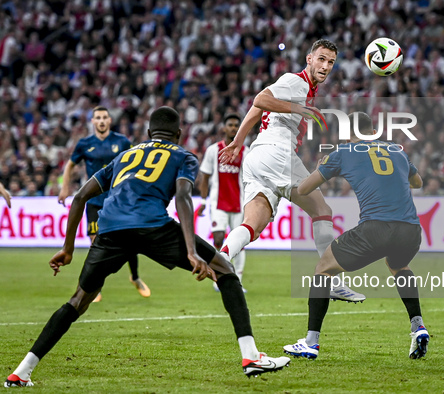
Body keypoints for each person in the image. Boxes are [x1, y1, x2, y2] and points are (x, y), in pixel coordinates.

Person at [4, 107, 290, 388]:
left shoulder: (124, 156)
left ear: (148, 132)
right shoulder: (183, 156)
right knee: (225, 270)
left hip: (111, 229)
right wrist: (191, 250)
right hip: (153, 225)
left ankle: (22, 371)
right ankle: (251, 356)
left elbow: (79, 197)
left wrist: (68, 249)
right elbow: (182, 196)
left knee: (78, 300)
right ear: (178, 134)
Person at [219, 39, 365, 302]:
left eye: (330, 62)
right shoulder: (295, 81)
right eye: (321, 59)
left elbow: (256, 107)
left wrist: (239, 140)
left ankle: (221, 257)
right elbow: (260, 98)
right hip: (276, 152)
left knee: (253, 224)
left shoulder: (302, 88)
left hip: (256, 155)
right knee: (322, 211)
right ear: (309, 59)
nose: (325, 66)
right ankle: (330, 281)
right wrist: (299, 108)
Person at [283, 112, 429, 360]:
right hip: (411, 230)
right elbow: (418, 182)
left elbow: (305, 189)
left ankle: (310, 342)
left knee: (323, 269)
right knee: (398, 265)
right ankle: (418, 326)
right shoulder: (396, 150)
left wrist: (322, 168)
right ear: (372, 131)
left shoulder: (342, 152)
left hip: (375, 228)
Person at [58, 106, 150, 302]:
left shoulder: (122, 141)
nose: (101, 121)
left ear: (110, 121)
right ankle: (95, 286)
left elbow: (134, 163)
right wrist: (65, 188)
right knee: (95, 242)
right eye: (97, 118)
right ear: (92, 121)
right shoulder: (84, 144)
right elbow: (70, 165)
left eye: (104, 117)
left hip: (118, 199)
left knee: (130, 240)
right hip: (94, 200)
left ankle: (135, 277)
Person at [198, 113, 249, 292]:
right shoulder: (214, 150)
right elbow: (205, 176)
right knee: (219, 239)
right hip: (218, 203)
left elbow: (249, 178)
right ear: (224, 128)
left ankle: (238, 280)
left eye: (237, 125)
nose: (234, 128)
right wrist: (203, 200)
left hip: (238, 203)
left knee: (239, 243)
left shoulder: (245, 151)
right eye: (231, 125)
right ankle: (218, 277)